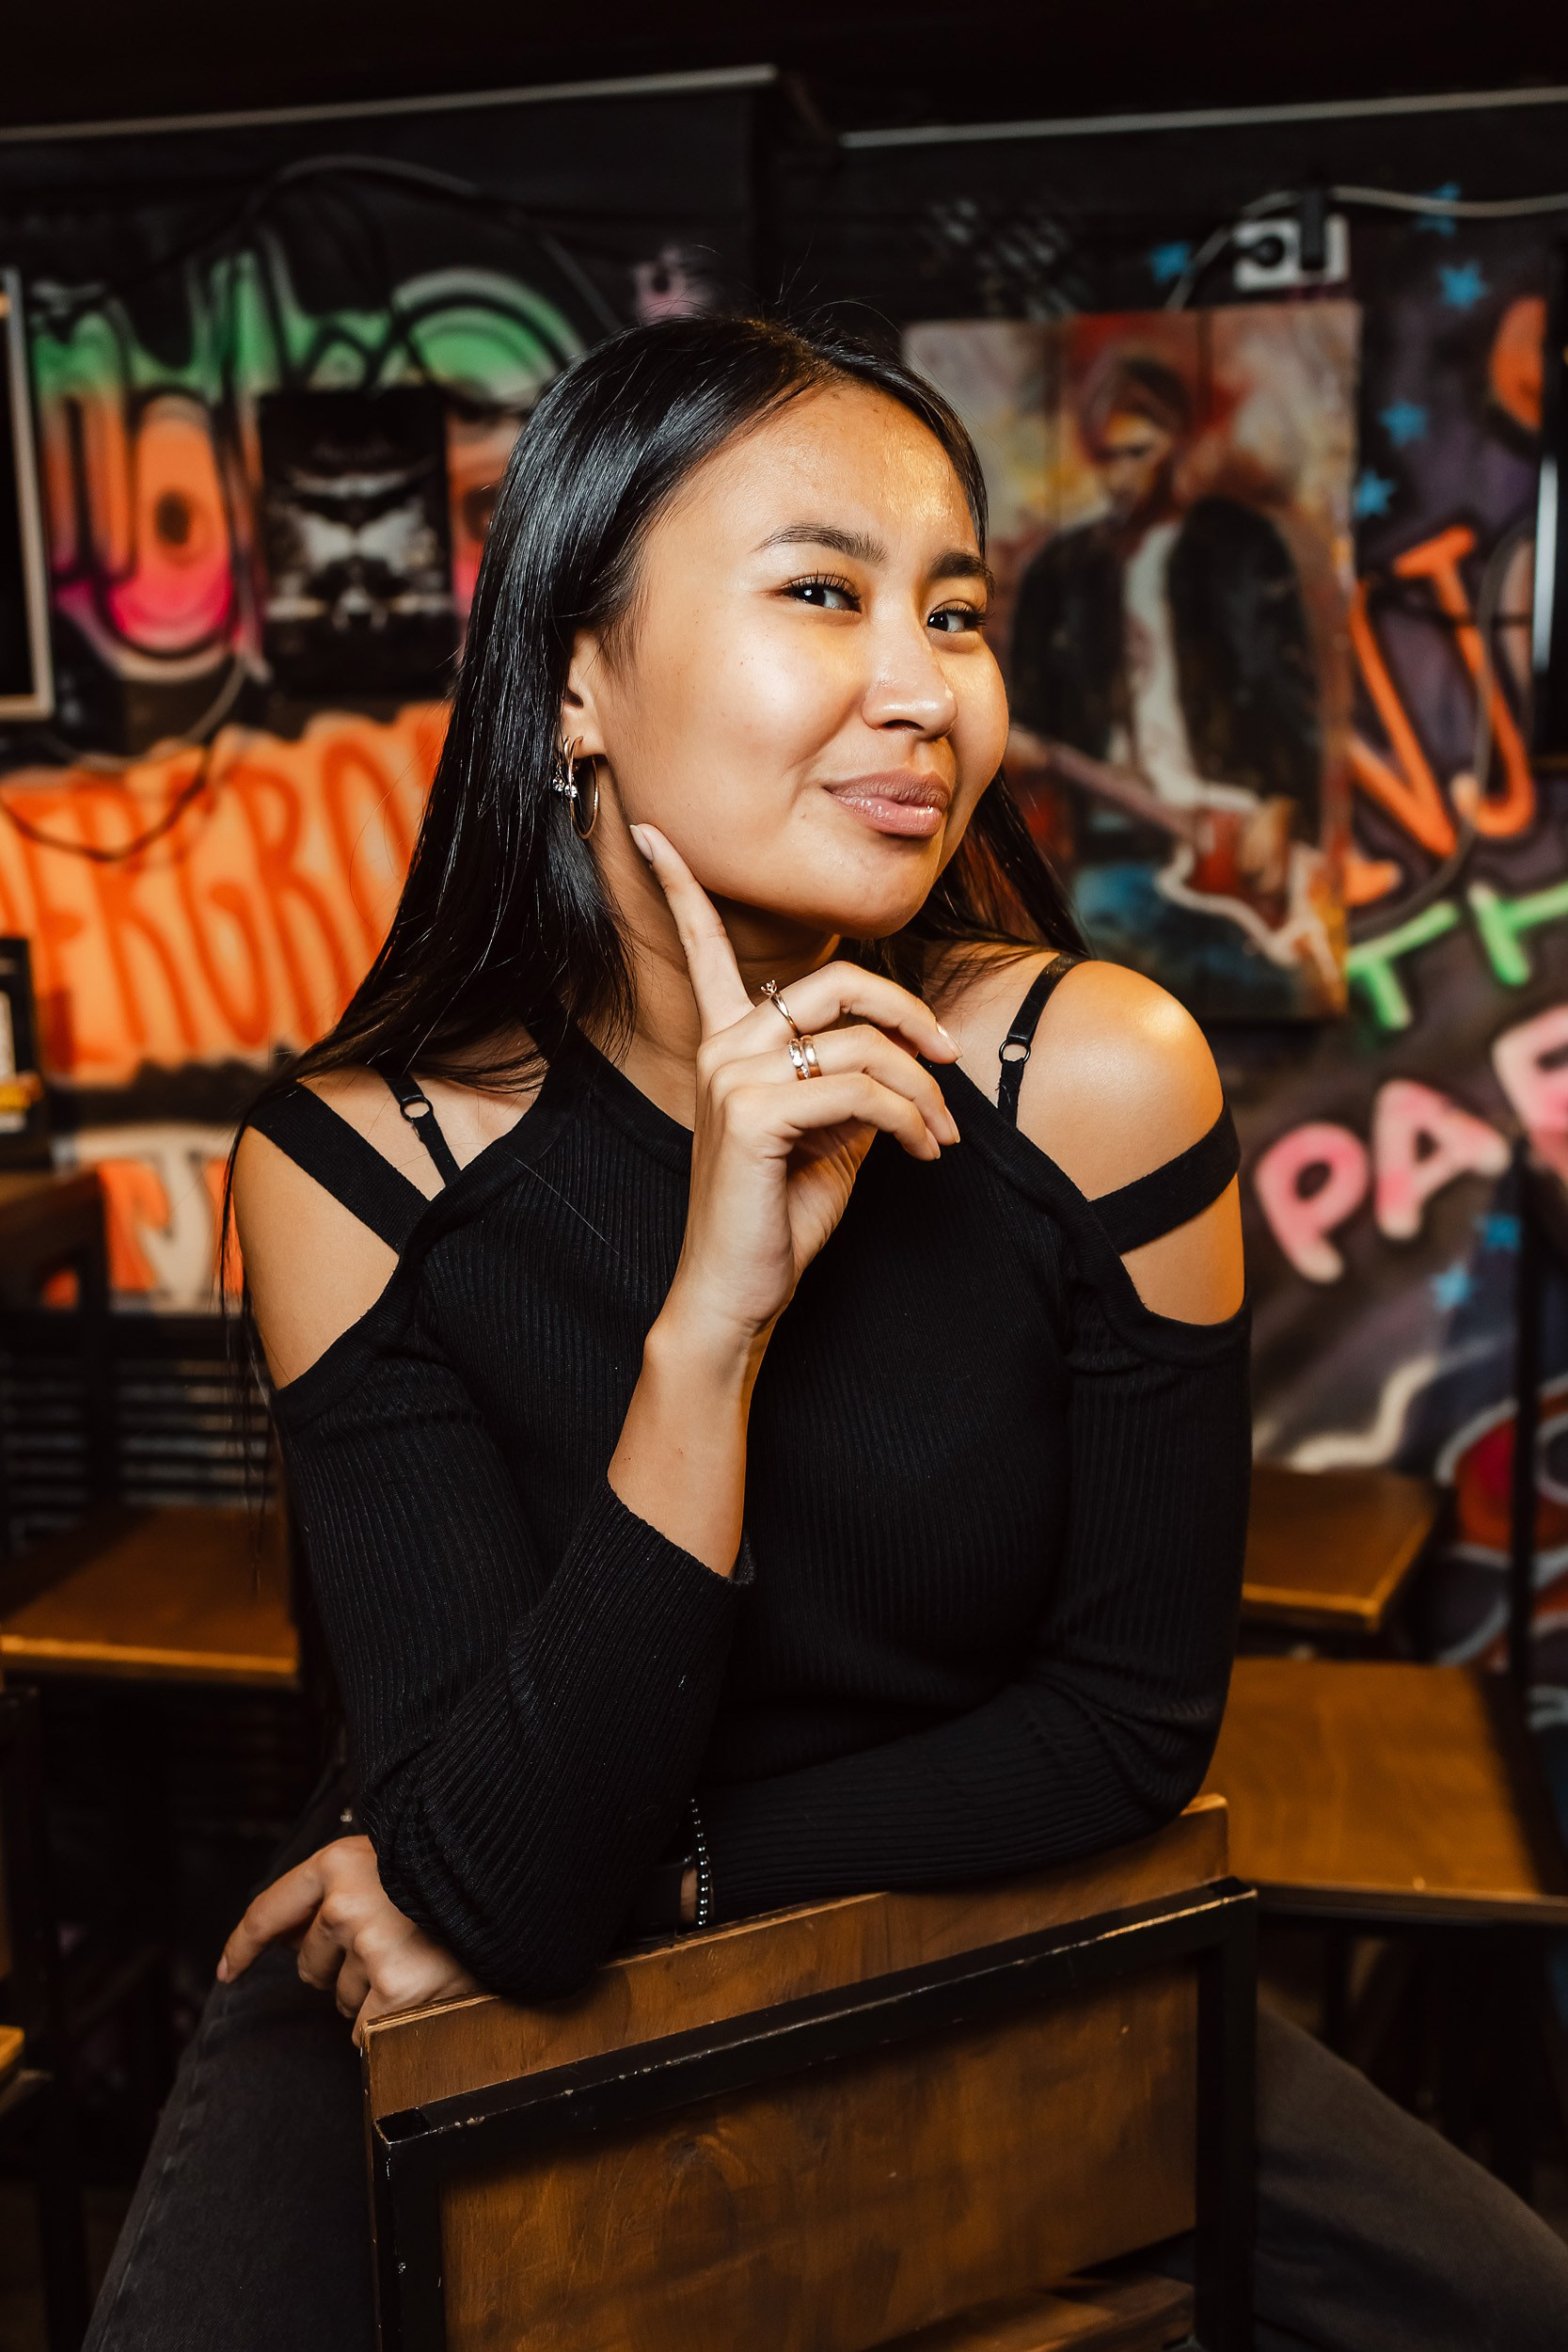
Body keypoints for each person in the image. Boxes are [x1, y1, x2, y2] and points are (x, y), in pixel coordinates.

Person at [86, 317, 1567, 2352]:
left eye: (951, 611)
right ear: (577, 681)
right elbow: (495, 1870)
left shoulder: (1093, 1081)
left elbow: (1123, 1728)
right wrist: (710, 1326)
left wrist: (676, 1881)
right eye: (818, 591)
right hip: (445, 1928)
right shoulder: (357, 1176)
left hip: (956, 1908)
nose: (922, 689)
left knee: (1500, 2302)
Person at [1007, 351, 1337, 996]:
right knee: (1100, 996)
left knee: (1280, 991)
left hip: (1233, 832)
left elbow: (1285, 685)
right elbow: (1031, 711)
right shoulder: (1064, 572)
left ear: (1176, 445)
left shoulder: (1237, 548)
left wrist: (1283, 804)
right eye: (1109, 457)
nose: (1122, 475)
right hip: (1116, 841)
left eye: (1140, 452)